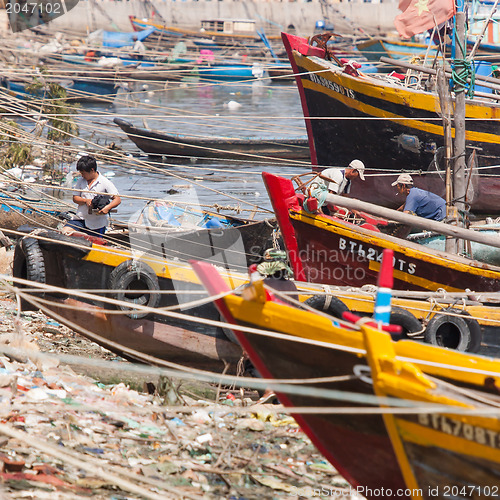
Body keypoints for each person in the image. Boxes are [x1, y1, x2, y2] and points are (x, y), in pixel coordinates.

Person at [64, 155, 121, 236]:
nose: (82, 175)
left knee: (94, 243)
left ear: (92, 170)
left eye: (83, 173)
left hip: (97, 223)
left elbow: (117, 199)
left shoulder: (105, 182)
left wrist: (107, 208)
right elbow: (75, 198)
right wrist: (85, 201)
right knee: (65, 231)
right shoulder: (81, 181)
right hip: (80, 219)